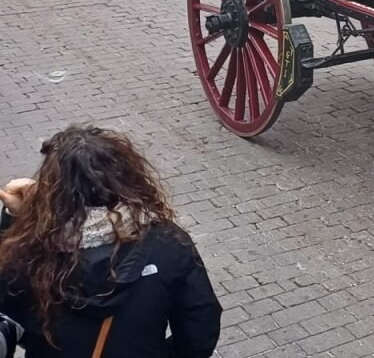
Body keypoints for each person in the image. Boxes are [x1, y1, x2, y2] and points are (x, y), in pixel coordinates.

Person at [0, 125, 222, 356]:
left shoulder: (31, 249)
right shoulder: (170, 244)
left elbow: (9, 310)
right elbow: (200, 329)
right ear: (128, 178)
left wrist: (14, 221)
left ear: (54, 191)